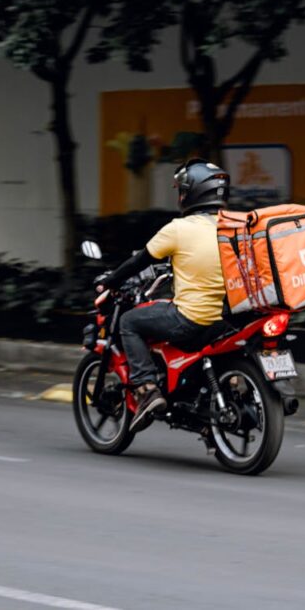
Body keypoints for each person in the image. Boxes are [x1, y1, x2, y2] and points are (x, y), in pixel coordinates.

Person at [96, 159, 229, 432]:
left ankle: (147, 390)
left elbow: (140, 261)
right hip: (228, 320)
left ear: (191, 194)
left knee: (129, 322)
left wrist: (109, 282)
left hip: (192, 319)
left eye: (182, 190)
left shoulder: (179, 229)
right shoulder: (233, 226)